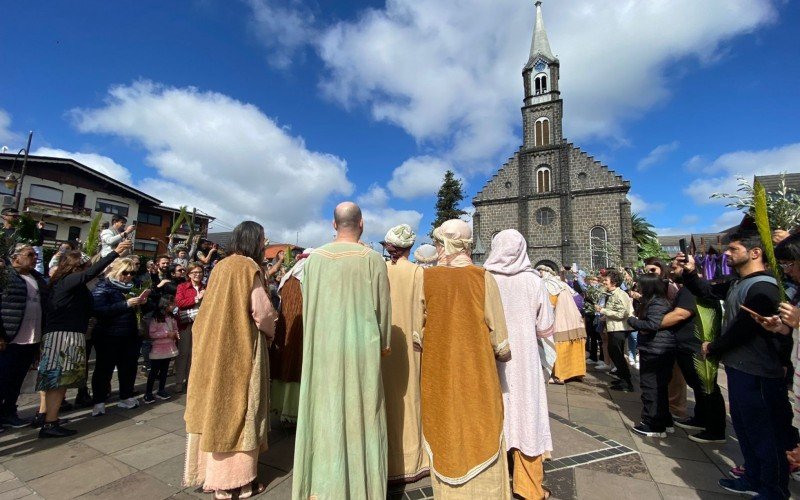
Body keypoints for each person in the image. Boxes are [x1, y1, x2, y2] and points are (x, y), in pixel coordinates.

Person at [680, 231, 792, 498]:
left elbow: (743, 330)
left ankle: (774, 490)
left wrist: (714, 346)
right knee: (746, 429)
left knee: (766, 435)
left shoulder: (764, 287)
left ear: (755, 253)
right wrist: (690, 272)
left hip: (759, 373)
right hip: (740, 369)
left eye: (733, 249)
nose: (726, 254)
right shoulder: (736, 283)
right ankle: (753, 477)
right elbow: (706, 290)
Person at [292, 202, 391, 499]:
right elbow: (383, 310)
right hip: (361, 350)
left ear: (333, 225)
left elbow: (309, 306)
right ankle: (363, 488)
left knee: (324, 413)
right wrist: (384, 345)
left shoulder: (314, 260)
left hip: (322, 348)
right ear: (361, 224)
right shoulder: (373, 259)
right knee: (362, 414)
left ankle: (322, 487)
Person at [417, 219, 512, 499]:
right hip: (476, 369)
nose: (436, 247)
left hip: (438, 369)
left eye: (438, 242)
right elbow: (500, 336)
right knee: (478, 422)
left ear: (445, 243)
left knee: (444, 421)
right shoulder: (482, 277)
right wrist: (501, 352)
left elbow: (417, 329)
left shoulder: (426, 278)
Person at [183, 221, 277, 499]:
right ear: (253, 241)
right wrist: (271, 332)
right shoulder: (249, 267)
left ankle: (212, 477)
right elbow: (261, 313)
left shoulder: (220, 267)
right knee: (243, 407)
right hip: (241, 348)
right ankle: (241, 481)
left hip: (213, 348)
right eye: (263, 240)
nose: (264, 244)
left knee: (214, 405)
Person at [35, 239, 132, 437]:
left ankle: (51, 418)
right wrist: (114, 253)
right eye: (85, 267)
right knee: (56, 379)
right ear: (75, 267)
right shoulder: (67, 281)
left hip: (72, 335)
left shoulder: (77, 287)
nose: (87, 271)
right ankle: (49, 422)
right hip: (62, 336)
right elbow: (90, 273)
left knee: (63, 381)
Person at [484, 229, 555, 500]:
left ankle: (496, 482)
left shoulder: (483, 278)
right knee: (526, 416)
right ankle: (528, 487)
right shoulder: (534, 281)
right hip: (523, 360)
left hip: (492, 358)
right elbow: (545, 326)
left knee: (496, 415)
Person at [379, 224, 429, 484]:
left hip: (383, 345)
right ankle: (411, 461)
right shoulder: (418, 272)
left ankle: (384, 460)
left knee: (385, 399)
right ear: (410, 247)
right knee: (410, 399)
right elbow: (426, 310)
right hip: (411, 346)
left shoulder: (379, 270)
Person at [663, 258, 727, 444]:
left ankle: (715, 430)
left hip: (696, 346)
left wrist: (651, 324)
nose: (672, 270)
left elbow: (681, 314)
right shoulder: (688, 288)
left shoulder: (692, 289)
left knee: (706, 387)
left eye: (675, 267)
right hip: (688, 345)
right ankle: (701, 419)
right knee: (698, 386)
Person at [90, 257, 148, 416]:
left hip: (130, 334)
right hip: (108, 334)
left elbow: (147, 309)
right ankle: (99, 401)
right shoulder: (104, 287)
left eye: (132, 273)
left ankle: (126, 396)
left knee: (129, 367)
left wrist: (144, 302)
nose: (129, 276)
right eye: (125, 273)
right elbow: (99, 311)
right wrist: (126, 304)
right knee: (104, 369)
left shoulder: (134, 286)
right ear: (117, 271)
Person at [0, 244, 48, 429]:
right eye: (30, 255)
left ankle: (9, 412)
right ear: (16, 258)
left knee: (17, 379)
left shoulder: (37, 278)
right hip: (10, 339)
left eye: (36, 255)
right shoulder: (6, 276)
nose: (34, 258)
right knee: (3, 378)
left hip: (31, 339)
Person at [627, 273, 674, 438]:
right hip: (657, 348)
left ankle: (653, 424)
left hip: (656, 349)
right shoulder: (657, 301)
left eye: (640, 285)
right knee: (659, 387)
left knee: (651, 387)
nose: (638, 288)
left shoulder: (657, 303)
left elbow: (652, 324)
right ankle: (664, 420)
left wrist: (632, 321)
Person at [270, 248, 313, 424]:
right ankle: (294, 411)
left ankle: (282, 409)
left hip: (285, 329)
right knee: (297, 368)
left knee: (285, 367)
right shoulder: (307, 279)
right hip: (301, 331)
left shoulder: (288, 277)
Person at [537, 265, 586, 384]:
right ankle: (577, 373)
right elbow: (578, 299)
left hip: (561, 319)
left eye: (541, 272)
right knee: (572, 341)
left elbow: (551, 304)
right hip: (573, 318)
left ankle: (561, 375)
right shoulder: (561, 283)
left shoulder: (549, 285)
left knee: (559, 344)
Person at [596, 269, 635, 392]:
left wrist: (603, 311)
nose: (604, 282)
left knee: (617, 354)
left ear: (613, 282)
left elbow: (623, 313)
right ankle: (623, 377)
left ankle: (627, 382)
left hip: (619, 329)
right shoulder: (613, 294)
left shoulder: (620, 294)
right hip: (613, 328)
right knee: (614, 354)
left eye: (606, 280)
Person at [174, 262, 205, 393]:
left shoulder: (207, 287)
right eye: (194, 272)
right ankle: (179, 381)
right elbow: (179, 302)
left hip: (202, 324)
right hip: (186, 323)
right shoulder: (182, 286)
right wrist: (197, 298)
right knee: (183, 353)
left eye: (200, 272)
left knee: (195, 354)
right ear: (189, 274)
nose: (197, 275)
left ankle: (190, 380)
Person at [143, 296, 179, 404]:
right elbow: (152, 334)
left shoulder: (171, 317)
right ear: (165, 305)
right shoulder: (156, 318)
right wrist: (167, 334)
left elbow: (175, 328)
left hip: (169, 347)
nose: (174, 306)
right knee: (154, 371)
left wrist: (176, 334)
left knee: (164, 370)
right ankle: (148, 393)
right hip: (158, 349)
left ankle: (161, 389)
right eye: (172, 304)